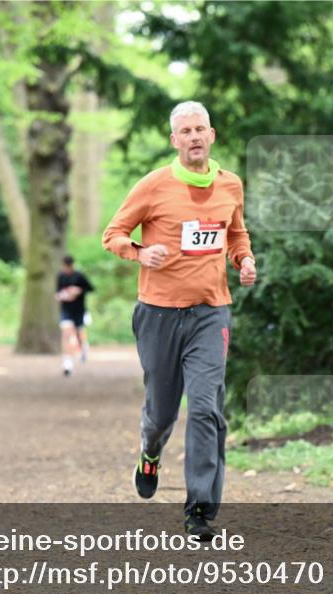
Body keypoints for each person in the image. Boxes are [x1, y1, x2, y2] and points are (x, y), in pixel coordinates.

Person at [103, 101, 257, 540]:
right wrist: (138, 252)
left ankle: (200, 510)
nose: (193, 137)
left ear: (212, 135)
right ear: (174, 140)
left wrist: (243, 258)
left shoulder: (230, 185)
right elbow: (112, 234)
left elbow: (236, 232)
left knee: (206, 407)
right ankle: (149, 452)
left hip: (211, 312)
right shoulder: (154, 186)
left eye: (200, 129)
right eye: (184, 131)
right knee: (161, 412)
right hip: (158, 315)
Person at [55, 254, 95, 376]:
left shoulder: (79, 276)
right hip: (66, 310)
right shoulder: (60, 276)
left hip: (79, 310)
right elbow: (57, 292)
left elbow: (91, 288)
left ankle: (83, 348)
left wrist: (79, 290)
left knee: (78, 333)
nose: (66, 269)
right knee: (66, 334)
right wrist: (61, 295)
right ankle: (67, 363)